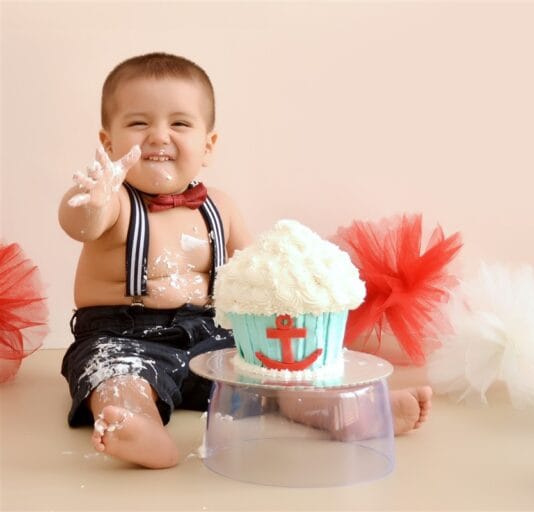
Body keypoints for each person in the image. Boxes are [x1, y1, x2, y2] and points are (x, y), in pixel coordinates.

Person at [59, 52, 432, 469]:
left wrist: (295, 290)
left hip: (210, 334)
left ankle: (340, 410)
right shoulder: (114, 204)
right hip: (123, 336)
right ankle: (137, 424)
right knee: (116, 377)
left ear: (208, 145)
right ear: (109, 143)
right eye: (138, 123)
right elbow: (81, 224)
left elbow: (257, 270)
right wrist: (93, 199)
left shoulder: (220, 207)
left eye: (179, 123)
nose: (159, 136)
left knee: (274, 372)